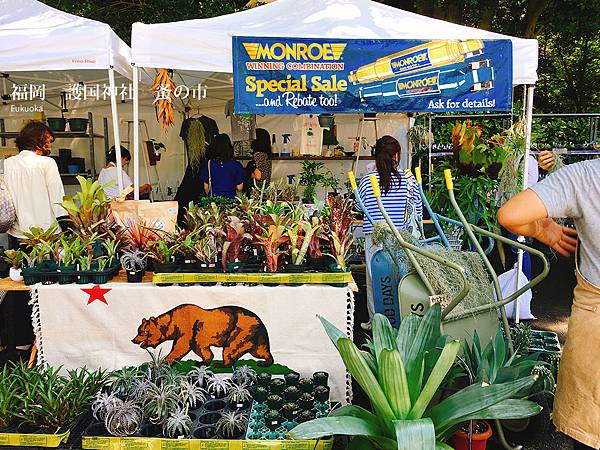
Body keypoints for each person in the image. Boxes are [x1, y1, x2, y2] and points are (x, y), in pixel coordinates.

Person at [498, 159, 597, 450]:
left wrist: (542, 230)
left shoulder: (586, 175)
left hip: (595, 329)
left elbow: (511, 214)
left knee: (586, 431)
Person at [0, 121, 67, 362]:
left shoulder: (7, 164)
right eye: (48, 139)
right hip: (48, 237)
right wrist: (70, 229)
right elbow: (58, 201)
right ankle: (48, 338)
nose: (50, 144)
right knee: (48, 288)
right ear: (38, 139)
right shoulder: (47, 164)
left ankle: (20, 343)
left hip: (18, 237)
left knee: (19, 289)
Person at [357, 135, 423, 329]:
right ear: (396, 155)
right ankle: (404, 320)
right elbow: (418, 210)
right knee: (402, 277)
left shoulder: (367, 180)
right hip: (403, 236)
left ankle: (376, 322)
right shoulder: (409, 180)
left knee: (375, 280)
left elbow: (359, 207)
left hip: (375, 237)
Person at [200, 134, 245, 198]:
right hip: (231, 201)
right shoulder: (236, 165)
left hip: (214, 201)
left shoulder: (208, 164)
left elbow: (206, 187)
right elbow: (239, 188)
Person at [245, 128, 272, 194]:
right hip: (263, 190)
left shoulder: (259, 154)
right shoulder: (266, 154)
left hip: (256, 190)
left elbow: (258, 176)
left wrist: (247, 174)